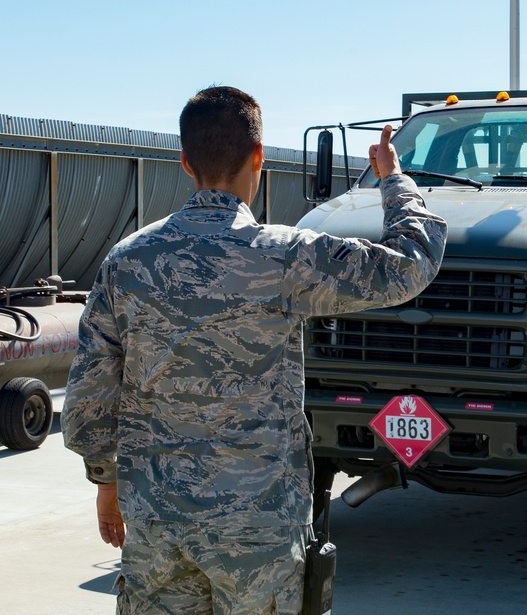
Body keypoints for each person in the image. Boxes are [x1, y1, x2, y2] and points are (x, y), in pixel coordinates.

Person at [61, 85, 447, 614]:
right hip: (256, 529)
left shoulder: (127, 262)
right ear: (258, 157)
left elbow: (89, 397)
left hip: (156, 520)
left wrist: (106, 482)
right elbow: (409, 265)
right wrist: (394, 182)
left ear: (185, 162)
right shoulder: (283, 257)